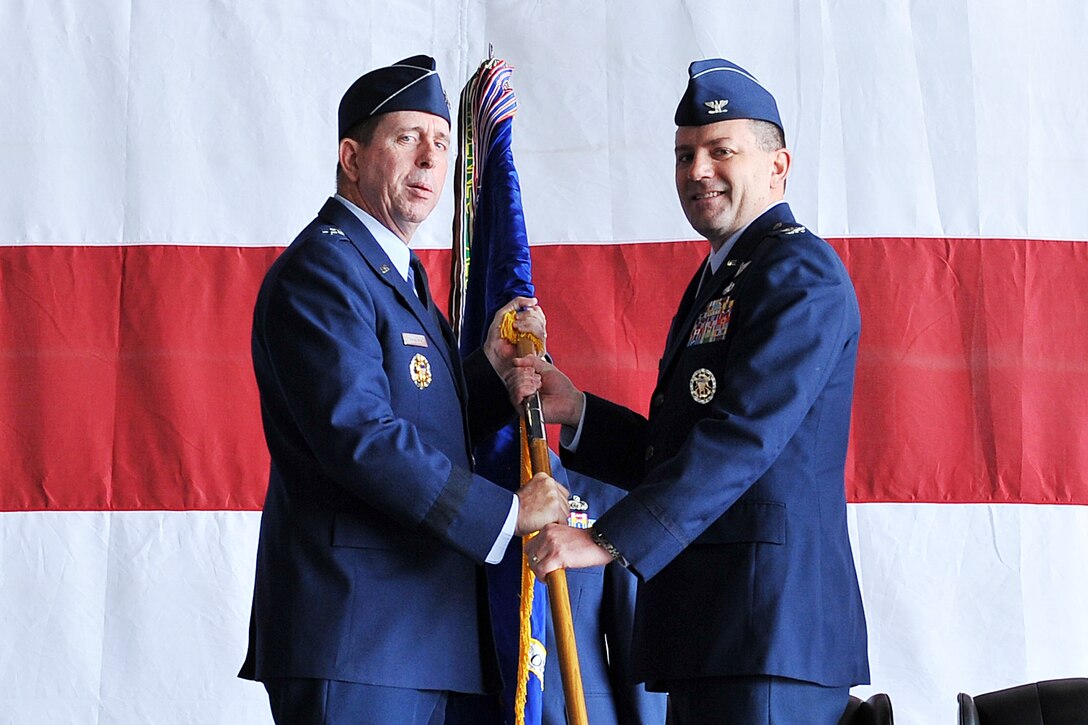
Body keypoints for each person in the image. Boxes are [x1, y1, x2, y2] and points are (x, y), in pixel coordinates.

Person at [519, 58, 870, 723]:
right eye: (684, 155)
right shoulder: (726, 275)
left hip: (767, 631)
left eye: (720, 150)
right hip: (716, 630)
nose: (697, 170)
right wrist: (580, 411)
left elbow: (743, 436)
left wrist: (608, 541)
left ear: (778, 165)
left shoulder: (799, 274)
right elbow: (676, 448)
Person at [238, 55, 571, 725]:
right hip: (359, 639)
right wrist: (507, 515)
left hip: (425, 641)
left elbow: (424, 419)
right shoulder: (324, 272)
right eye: (406, 137)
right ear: (352, 157)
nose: (430, 158)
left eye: (442, 142)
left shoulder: (397, 275)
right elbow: (361, 436)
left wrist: (490, 372)